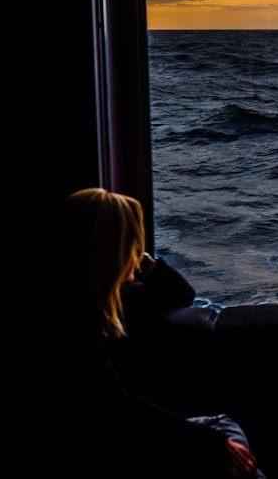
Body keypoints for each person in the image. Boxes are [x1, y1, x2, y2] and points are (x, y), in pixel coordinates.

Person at [35, 187, 263, 479]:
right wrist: (211, 444)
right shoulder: (66, 318)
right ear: (110, 250)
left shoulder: (96, 300)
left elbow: (179, 294)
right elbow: (115, 405)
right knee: (225, 437)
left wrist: (141, 260)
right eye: (129, 243)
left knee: (225, 435)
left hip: (109, 440)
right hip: (91, 451)